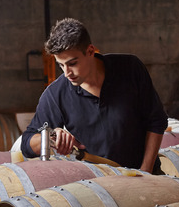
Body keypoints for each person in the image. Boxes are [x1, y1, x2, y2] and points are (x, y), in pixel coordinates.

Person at [20, 18, 168, 173]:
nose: (66, 73)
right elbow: (27, 143)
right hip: (99, 188)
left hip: (148, 178)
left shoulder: (130, 69)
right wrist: (51, 137)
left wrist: (145, 172)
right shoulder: (56, 94)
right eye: (61, 65)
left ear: (90, 51)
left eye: (72, 63)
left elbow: (156, 121)